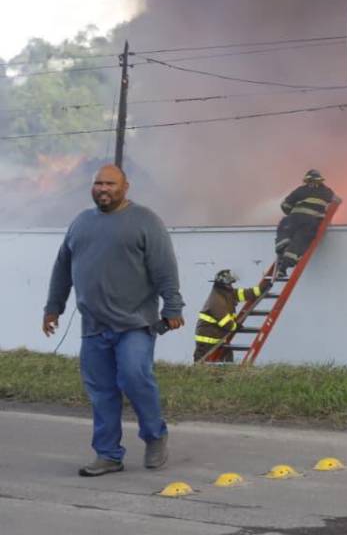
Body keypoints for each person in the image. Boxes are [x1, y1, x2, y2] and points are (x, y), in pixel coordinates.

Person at [42, 164, 184, 477]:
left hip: (135, 323)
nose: (103, 189)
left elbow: (164, 268)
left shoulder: (146, 221)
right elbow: (62, 268)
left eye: (110, 183)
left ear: (125, 187)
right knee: (101, 392)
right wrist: (53, 307)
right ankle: (108, 454)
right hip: (94, 327)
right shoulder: (80, 223)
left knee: (135, 377)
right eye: (98, 183)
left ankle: (155, 435)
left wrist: (173, 307)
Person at [192, 269, 273, 363]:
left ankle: (226, 375)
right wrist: (235, 326)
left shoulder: (226, 293)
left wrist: (261, 288)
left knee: (226, 358)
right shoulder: (216, 300)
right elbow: (224, 321)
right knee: (202, 364)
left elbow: (246, 293)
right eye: (230, 283)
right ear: (225, 284)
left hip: (218, 337)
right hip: (207, 340)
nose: (231, 286)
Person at [274, 169, 338, 280]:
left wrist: (292, 212)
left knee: (285, 232)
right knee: (298, 243)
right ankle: (284, 265)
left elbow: (285, 205)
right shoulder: (327, 192)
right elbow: (337, 200)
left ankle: (282, 259)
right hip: (310, 222)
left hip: (294, 219)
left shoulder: (300, 190)